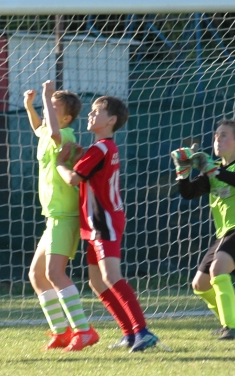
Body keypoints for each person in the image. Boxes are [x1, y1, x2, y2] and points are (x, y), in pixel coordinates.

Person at [56, 96, 163, 353]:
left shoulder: (102, 148)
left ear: (111, 120)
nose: (90, 115)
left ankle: (143, 331)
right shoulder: (102, 148)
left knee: (111, 276)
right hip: (97, 221)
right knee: (96, 281)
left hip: (104, 221)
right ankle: (129, 333)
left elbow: (72, 178)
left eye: (97, 111)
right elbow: (87, 174)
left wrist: (60, 162)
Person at [23, 81, 97, 352]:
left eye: (52, 108)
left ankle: (84, 330)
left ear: (66, 118)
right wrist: (29, 106)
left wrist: (44, 95)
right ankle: (61, 332)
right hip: (52, 216)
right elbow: (38, 128)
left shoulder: (65, 135)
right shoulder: (47, 133)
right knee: (36, 274)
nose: (47, 111)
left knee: (54, 273)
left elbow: (52, 130)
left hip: (65, 216)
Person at [172, 120, 235, 340]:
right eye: (215, 136)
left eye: (224, 136)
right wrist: (182, 171)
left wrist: (211, 169)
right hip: (226, 233)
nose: (217, 140)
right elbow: (189, 193)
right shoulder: (213, 171)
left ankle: (230, 327)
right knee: (200, 284)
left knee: (219, 267)